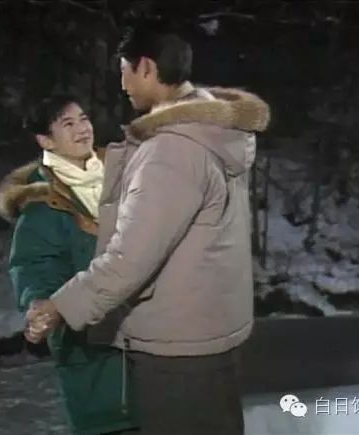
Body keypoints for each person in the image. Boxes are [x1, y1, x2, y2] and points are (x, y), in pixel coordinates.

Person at [24, 21, 270, 435]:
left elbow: (129, 259)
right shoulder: (211, 131)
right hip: (211, 331)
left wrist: (59, 306)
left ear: (146, 68)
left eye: (124, 71)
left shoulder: (170, 151)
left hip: (176, 348)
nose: (122, 85)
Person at [0, 94, 138, 435]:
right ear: (46, 140)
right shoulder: (42, 204)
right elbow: (34, 265)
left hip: (153, 338)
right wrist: (41, 306)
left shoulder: (127, 174)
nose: (82, 129)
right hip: (94, 351)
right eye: (68, 124)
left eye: (84, 119)